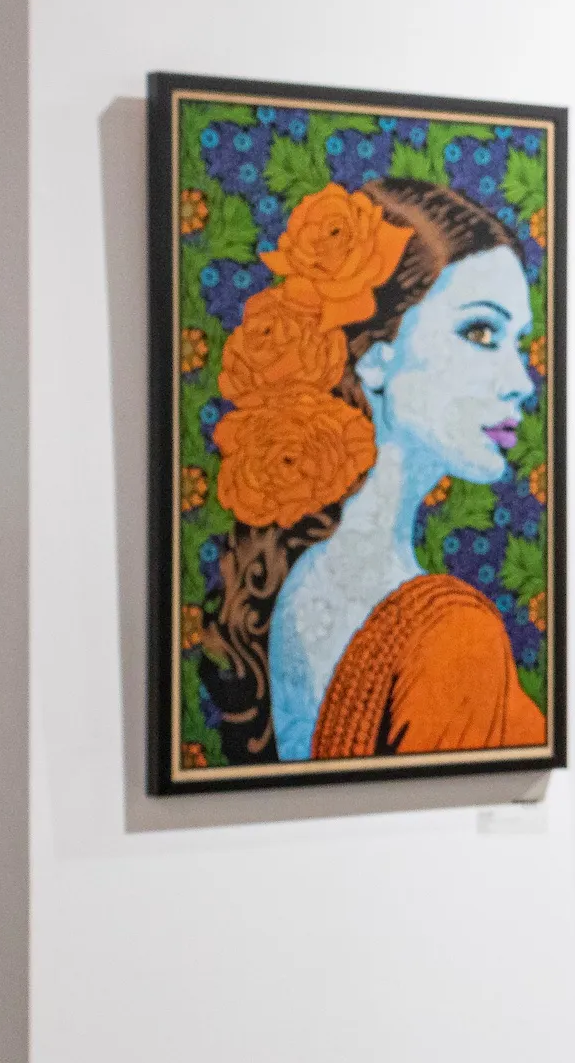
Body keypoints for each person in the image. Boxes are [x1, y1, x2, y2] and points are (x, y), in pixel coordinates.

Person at [207, 178, 546, 763]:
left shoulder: (302, 572)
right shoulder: (450, 631)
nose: (521, 381)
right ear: (376, 355)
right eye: (481, 332)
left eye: (519, 342)